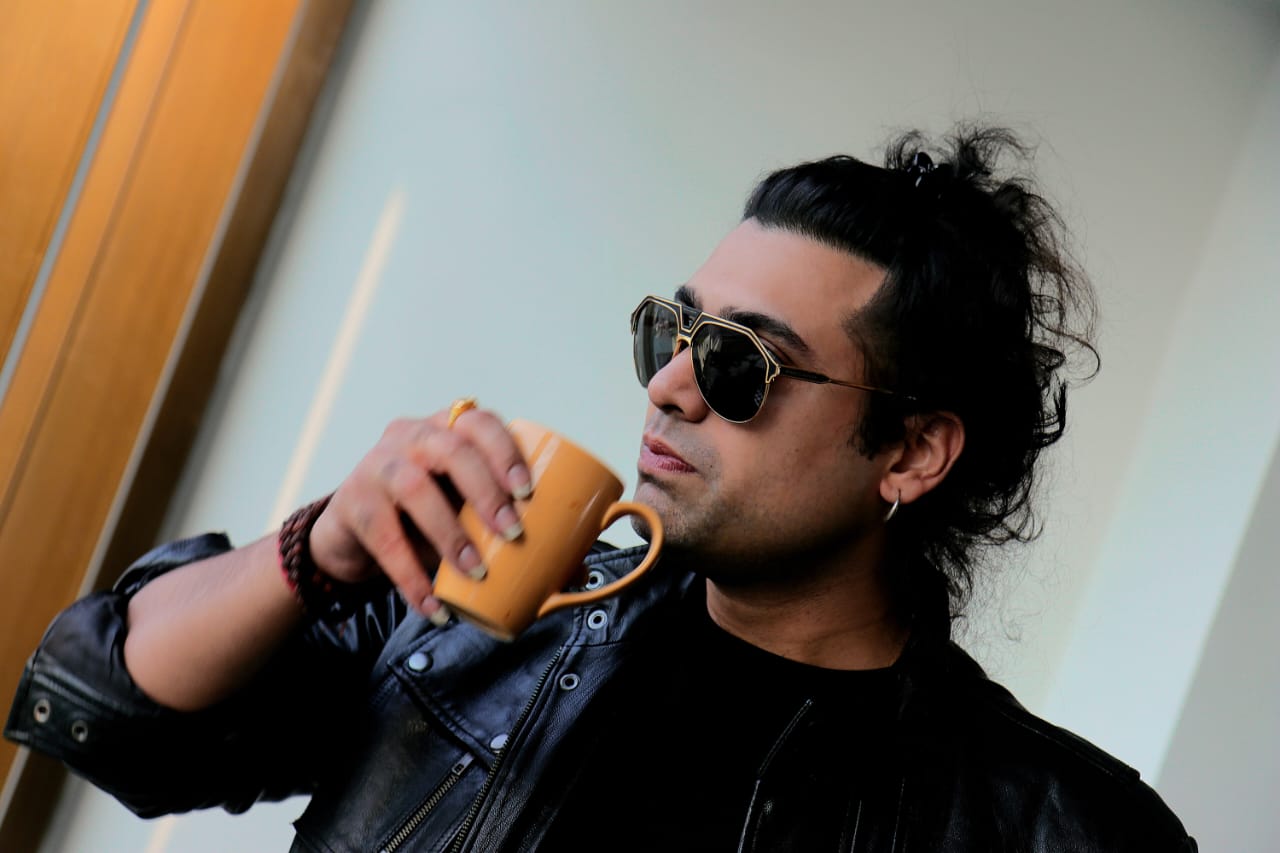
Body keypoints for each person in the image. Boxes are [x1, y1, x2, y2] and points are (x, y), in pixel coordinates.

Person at [6, 124, 1196, 852]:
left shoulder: (1052, 826)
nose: (669, 385)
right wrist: (313, 552)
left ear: (911, 452)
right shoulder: (485, 604)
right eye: (673, 331)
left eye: (739, 363)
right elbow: (106, 711)